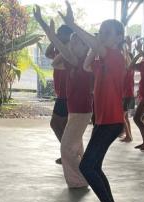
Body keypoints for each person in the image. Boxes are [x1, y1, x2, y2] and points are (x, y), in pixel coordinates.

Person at [59, 1, 125, 202]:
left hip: (112, 121)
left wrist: (73, 24)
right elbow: (88, 65)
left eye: (108, 32)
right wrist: (95, 44)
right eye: (102, 31)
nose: (102, 35)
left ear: (118, 38)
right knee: (93, 165)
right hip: (103, 121)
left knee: (87, 166)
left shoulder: (116, 57)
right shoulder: (103, 59)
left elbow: (97, 51)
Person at [34, 7, 91, 189]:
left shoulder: (82, 62)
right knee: (74, 146)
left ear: (85, 47)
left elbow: (58, 47)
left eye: (76, 43)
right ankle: (82, 176)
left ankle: (79, 181)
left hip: (81, 111)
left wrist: (54, 30)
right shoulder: (72, 61)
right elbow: (56, 55)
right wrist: (43, 23)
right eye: (71, 43)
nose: (71, 46)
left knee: (66, 148)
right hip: (75, 110)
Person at [45, 24, 73, 164]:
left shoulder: (69, 50)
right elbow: (47, 54)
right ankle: (67, 152)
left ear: (68, 35)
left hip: (67, 94)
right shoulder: (60, 49)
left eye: (59, 33)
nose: (57, 35)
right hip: (62, 93)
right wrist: (54, 40)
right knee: (61, 125)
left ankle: (68, 153)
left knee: (56, 124)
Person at [121, 44, 136, 143]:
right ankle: (128, 134)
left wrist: (125, 49)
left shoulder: (128, 69)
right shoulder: (129, 69)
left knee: (122, 116)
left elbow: (126, 57)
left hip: (126, 95)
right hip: (126, 94)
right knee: (125, 117)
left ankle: (129, 136)